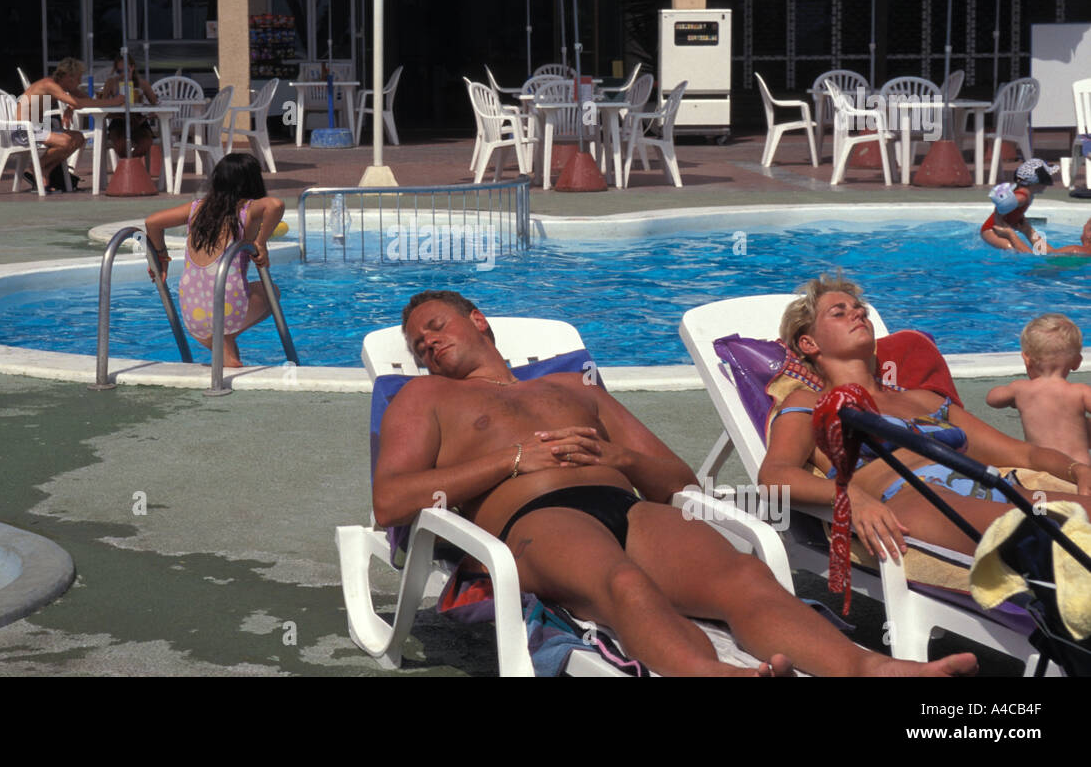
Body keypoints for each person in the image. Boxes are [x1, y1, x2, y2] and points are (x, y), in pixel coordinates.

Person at [376, 289, 978, 676]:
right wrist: (512, 461)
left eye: (434, 326)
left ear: (478, 320)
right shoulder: (424, 395)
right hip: (539, 519)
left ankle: (869, 669)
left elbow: (677, 481)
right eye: (417, 343)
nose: (426, 343)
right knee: (624, 583)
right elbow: (391, 501)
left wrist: (620, 457)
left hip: (628, 506)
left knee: (744, 573)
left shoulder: (576, 389)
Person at [763, 274, 1091, 562]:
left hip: (993, 490)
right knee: (1053, 536)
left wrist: (1078, 470)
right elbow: (775, 475)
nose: (858, 313)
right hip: (919, 501)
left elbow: (1024, 454)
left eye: (859, 309)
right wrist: (848, 496)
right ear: (809, 342)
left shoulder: (923, 399)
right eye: (840, 312)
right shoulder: (811, 402)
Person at [143, 153, 285, 367]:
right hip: (227, 313)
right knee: (272, 291)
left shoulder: (197, 208)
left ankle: (230, 360)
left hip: (193, 316)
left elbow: (152, 222)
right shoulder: (247, 210)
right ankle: (227, 350)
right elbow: (275, 205)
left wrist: (161, 257)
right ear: (253, 181)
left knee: (228, 355)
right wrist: (261, 242)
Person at [986, 314, 1091, 466]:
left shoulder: (1020, 389)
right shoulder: (1080, 392)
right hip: (1080, 468)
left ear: (1026, 359)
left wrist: (1010, 394)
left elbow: (992, 399)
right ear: (1077, 362)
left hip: (1043, 467)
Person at [17, 57, 122, 192]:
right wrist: (113, 102)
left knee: (78, 138)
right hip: (22, 130)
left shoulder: (62, 86)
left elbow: (85, 100)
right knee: (65, 141)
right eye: (78, 78)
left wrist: (70, 108)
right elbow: (78, 102)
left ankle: (45, 170)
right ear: (68, 77)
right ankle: (35, 168)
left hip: (38, 128)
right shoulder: (50, 85)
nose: (79, 82)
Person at [981, 158, 1058, 252]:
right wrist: (1003, 228)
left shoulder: (1026, 194)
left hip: (1003, 228)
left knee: (1034, 251)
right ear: (1038, 181)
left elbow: (1010, 209)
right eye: (1048, 178)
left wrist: (1019, 218)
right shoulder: (1022, 197)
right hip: (991, 230)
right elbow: (999, 209)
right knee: (1017, 252)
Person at [99, 56, 159, 161]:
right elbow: (102, 106)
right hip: (118, 120)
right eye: (119, 71)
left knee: (146, 143)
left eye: (126, 70)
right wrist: (114, 111)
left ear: (132, 67)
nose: (123, 74)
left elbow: (156, 105)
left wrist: (147, 116)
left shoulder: (142, 84)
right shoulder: (111, 83)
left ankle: (128, 165)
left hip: (138, 121)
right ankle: (130, 166)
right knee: (121, 145)